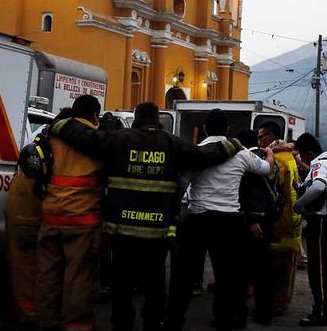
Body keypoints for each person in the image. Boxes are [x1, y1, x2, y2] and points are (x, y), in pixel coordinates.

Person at [51, 102, 241, 331]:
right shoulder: (172, 144)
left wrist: (59, 124)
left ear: (137, 118)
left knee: (122, 287)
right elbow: (202, 155)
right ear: (157, 119)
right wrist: (234, 144)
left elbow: (86, 138)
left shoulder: (118, 140)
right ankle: (152, 324)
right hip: (156, 236)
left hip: (121, 233)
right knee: (155, 287)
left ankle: (122, 326)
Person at [166, 110, 275, 331]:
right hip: (229, 221)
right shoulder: (242, 154)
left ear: (205, 128)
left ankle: (174, 319)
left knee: (183, 275)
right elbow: (266, 169)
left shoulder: (196, 153)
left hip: (197, 218)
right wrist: (270, 153)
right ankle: (225, 320)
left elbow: (182, 184)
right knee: (228, 276)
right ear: (227, 129)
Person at [35, 95, 104, 331]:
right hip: (82, 219)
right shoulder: (96, 142)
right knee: (78, 276)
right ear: (95, 116)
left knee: (48, 274)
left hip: (50, 215)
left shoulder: (51, 136)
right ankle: (76, 325)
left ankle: (46, 321)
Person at [5, 107, 71, 330]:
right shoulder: (47, 149)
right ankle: (29, 316)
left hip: (26, 210)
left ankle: (31, 313)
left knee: (31, 267)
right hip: (27, 213)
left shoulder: (41, 143)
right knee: (27, 268)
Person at [293, 133, 327, 327]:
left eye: (302, 155)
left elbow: (318, 188)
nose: (303, 159)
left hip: (322, 222)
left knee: (319, 269)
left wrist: (299, 204)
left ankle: (321, 312)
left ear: (310, 152)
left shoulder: (320, 164)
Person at [257, 122, 303, 315]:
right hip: (293, 216)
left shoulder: (277, 160)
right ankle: (283, 300)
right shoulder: (289, 156)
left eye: (261, 137)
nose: (259, 141)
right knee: (287, 264)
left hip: (280, 220)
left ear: (271, 136)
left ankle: (276, 302)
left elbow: (272, 191)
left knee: (278, 264)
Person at [236, 129, 279, 325]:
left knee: (244, 267)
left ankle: (241, 314)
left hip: (254, 219)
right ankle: (265, 312)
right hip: (269, 217)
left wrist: (252, 220)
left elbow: (248, 191)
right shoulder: (270, 157)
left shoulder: (247, 160)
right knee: (265, 268)